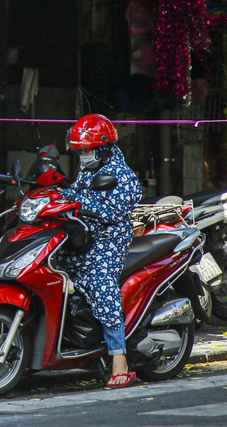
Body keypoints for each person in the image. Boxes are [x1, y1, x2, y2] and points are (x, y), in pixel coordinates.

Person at [58, 114, 142, 388]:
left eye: (86, 150)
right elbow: (73, 192)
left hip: (108, 241)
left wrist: (76, 201)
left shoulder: (123, 176)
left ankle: (119, 358)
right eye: (80, 151)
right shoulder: (89, 169)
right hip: (81, 237)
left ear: (104, 147)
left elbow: (111, 212)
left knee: (101, 283)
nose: (82, 156)